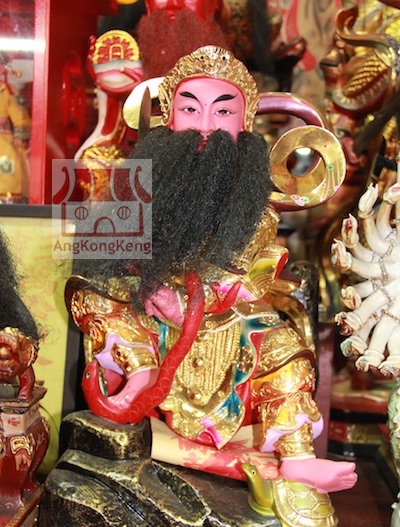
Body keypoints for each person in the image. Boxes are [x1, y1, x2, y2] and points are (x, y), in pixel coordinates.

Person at [67, 45, 357, 498]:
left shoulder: (257, 209)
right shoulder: (136, 183)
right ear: (168, 117)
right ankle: (139, 375)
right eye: (190, 109)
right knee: (94, 289)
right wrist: (139, 283)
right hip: (146, 321)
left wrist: (186, 305)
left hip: (223, 325)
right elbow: (111, 255)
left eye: (222, 112)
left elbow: (247, 279)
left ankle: (298, 456)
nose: (205, 125)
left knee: (285, 347)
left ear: (244, 123)